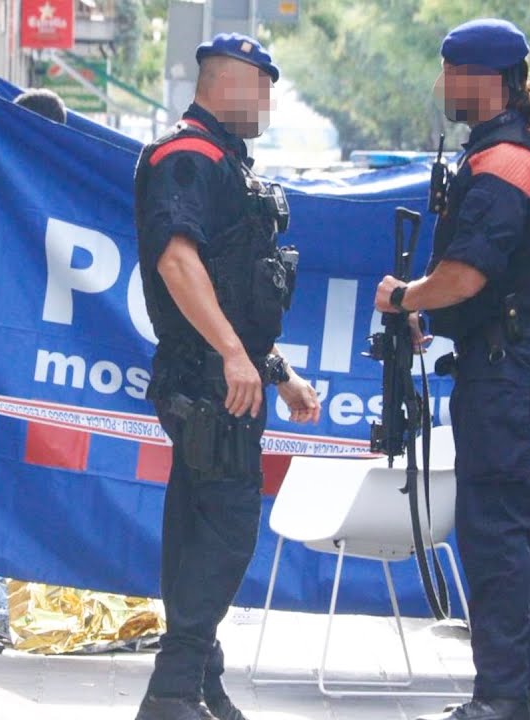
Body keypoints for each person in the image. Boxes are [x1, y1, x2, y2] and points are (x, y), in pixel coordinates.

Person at [374, 18, 530, 720]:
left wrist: (407, 298)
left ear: (484, 79)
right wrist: (438, 312)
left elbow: (467, 271)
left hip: (504, 367)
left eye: (451, 71)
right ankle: (522, 694)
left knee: (496, 534)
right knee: (515, 527)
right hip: (504, 356)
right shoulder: (504, 152)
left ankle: (503, 700)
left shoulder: (507, 161)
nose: (442, 85)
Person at [132, 33, 321, 720]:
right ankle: (173, 691)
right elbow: (178, 263)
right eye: (261, 83)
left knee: (200, 525)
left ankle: (198, 681)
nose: (269, 98)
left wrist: (277, 371)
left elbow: (236, 291)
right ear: (224, 80)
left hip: (224, 375)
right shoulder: (189, 157)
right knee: (225, 528)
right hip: (207, 380)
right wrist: (236, 359)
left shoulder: (226, 164)